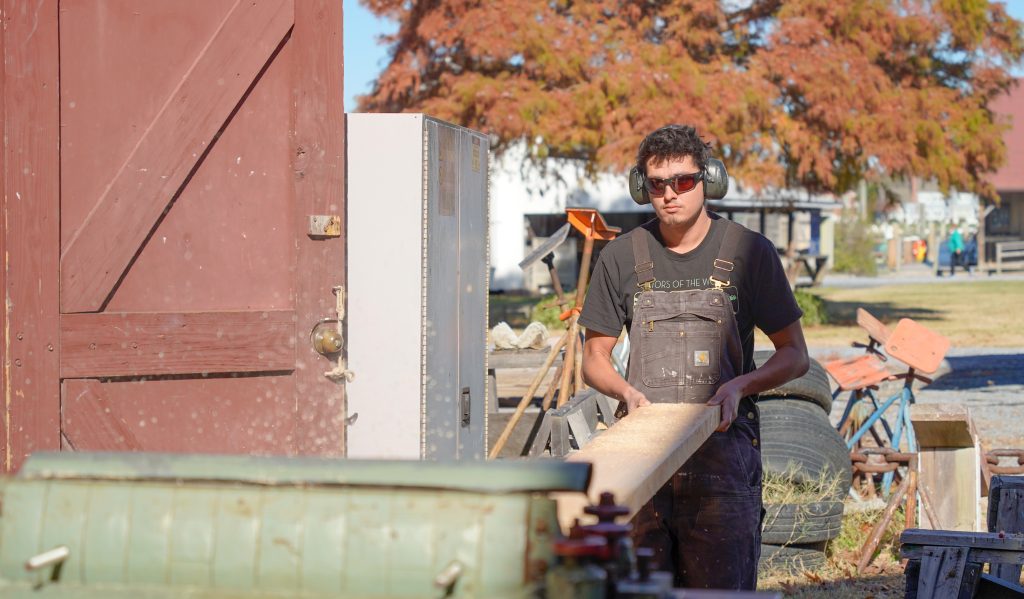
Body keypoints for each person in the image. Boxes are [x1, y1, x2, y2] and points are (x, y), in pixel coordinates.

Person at [579, 124, 809, 590]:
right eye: (658, 184)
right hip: (642, 462)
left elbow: (795, 355)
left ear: (708, 181)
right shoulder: (622, 257)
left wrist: (740, 385)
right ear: (643, 187)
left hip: (722, 461)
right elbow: (593, 357)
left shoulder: (748, 252)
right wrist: (624, 391)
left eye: (683, 181)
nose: (670, 194)